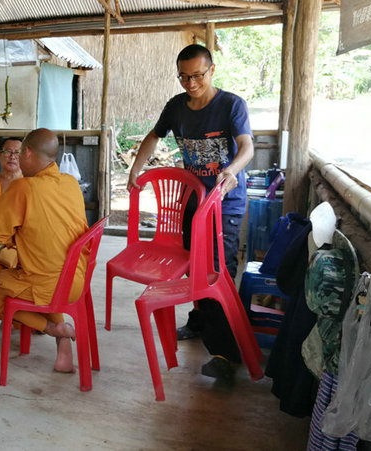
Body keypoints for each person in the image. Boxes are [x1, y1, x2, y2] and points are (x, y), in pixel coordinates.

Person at [126, 44, 254, 382]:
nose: (191, 83)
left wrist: (232, 171)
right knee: (193, 268)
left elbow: (247, 146)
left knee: (215, 274)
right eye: (184, 77)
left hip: (224, 203)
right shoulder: (176, 107)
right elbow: (153, 136)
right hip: (192, 202)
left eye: (197, 75)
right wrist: (135, 169)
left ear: (212, 70)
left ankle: (225, 354)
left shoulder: (231, 105)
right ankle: (199, 322)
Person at [0, 128, 88, 373]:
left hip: (48, 286)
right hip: (77, 280)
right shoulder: (71, 183)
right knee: (44, 271)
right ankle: (62, 336)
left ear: (27, 153)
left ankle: (54, 329)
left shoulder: (24, 187)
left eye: (19, 154)